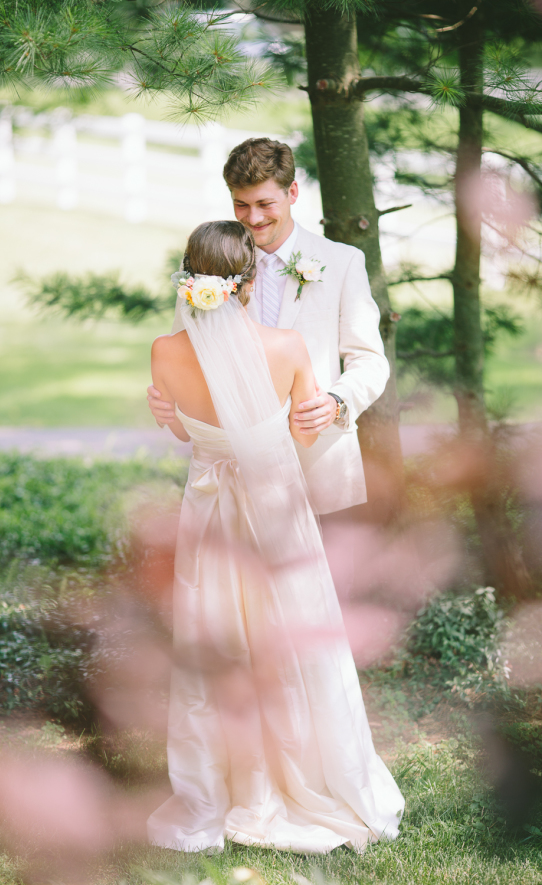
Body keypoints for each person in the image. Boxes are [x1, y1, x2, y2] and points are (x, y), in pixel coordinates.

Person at [146, 220, 404, 854]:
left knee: (220, 640)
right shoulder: (287, 347)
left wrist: (173, 417)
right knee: (293, 639)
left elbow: (185, 434)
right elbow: (306, 434)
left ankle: (225, 784)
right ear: (249, 278)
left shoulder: (163, 351)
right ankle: (313, 775)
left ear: (189, 279)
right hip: (276, 513)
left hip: (208, 517)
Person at [147, 137, 389, 516]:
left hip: (320, 463)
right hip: (234, 477)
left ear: (292, 192)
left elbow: (370, 360)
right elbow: (190, 352)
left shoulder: (342, 262)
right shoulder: (205, 269)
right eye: (241, 205)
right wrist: (169, 403)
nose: (253, 218)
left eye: (265, 204)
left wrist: (337, 403)